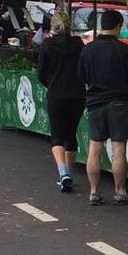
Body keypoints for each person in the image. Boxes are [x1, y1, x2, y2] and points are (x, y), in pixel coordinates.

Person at [78, 9, 128, 206]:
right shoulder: (123, 50)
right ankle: (120, 192)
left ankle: (94, 193)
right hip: (118, 103)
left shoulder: (87, 49)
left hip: (95, 102)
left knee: (94, 148)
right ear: (118, 26)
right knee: (118, 148)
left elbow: (82, 77)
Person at [38, 13, 86, 193]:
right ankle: (69, 174)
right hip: (77, 94)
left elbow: (41, 73)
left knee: (57, 136)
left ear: (53, 26)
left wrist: (50, 84)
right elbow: (83, 68)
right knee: (71, 134)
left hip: (56, 94)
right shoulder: (78, 44)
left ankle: (63, 173)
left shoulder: (47, 45)